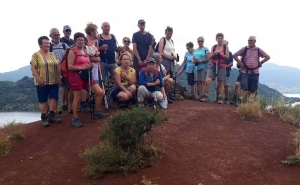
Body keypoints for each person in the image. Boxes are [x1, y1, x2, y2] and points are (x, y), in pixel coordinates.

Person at [68, 32, 108, 128]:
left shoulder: (85, 51)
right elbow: (70, 67)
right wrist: (82, 68)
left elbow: (88, 62)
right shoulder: (72, 51)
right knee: (77, 97)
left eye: (82, 40)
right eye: (79, 40)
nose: (81, 41)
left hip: (86, 76)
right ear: (75, 41)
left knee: (100, 92)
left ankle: (97, 111)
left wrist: (91, 65)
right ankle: (75, 118)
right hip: (76, 76)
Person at [30, 36, 62, 127]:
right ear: (40, 44)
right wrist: (38, 79)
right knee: (43, 100)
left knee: (54, 98)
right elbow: (33, 68)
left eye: (48, 43)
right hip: (42, 82)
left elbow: (57, 66)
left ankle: (52, 115)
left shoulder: (52, 54)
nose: (48, 45)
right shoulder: (36, 55)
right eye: (46, 43)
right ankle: (44, 117)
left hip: (54, 81)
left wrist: (60, 77)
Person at [233, 36, 270, 104]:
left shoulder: (258, 50)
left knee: (253, 89)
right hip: (245, 71)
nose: (249, 42)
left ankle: (249, 104)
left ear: (255, 41)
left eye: (251, 40)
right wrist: (240, 63)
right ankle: (240, 101)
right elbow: (235, 55)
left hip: (255, 72)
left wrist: (261, 62)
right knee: (243, 86)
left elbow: (268, 57)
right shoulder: (244, 49)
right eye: (248, 40)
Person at [200, 33, 229, 103]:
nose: (220, 39)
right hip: (213, 65)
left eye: (221, 38)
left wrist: (221, 54)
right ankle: (206, 96)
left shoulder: (225, 47)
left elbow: (227, 57)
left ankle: (220, 97)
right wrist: (215, 53)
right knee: (207, 80)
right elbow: (210, 57)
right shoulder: (214, 47)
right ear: (216, 39)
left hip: (221, 66)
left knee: (220, 82)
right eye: (219, 38)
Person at [49, 28, 70, 112]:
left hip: (65, 70)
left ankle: (68, 106)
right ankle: (55, 110)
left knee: (68, 88)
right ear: (50, 36)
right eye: (55, 35)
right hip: (53, 72)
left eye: (58, 35)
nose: (57, 36)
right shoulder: (49, 47)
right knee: (54, 91)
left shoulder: (64, 45)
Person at [215, 40, 233, 104]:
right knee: (218, 84)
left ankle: (226, 98)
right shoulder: (217, 53)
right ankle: (218, 98)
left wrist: (226, 66)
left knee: (226, 86)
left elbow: (231, 63)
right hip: (218, 70)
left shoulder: (230, 53)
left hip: (226, 71)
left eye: (226, 44)